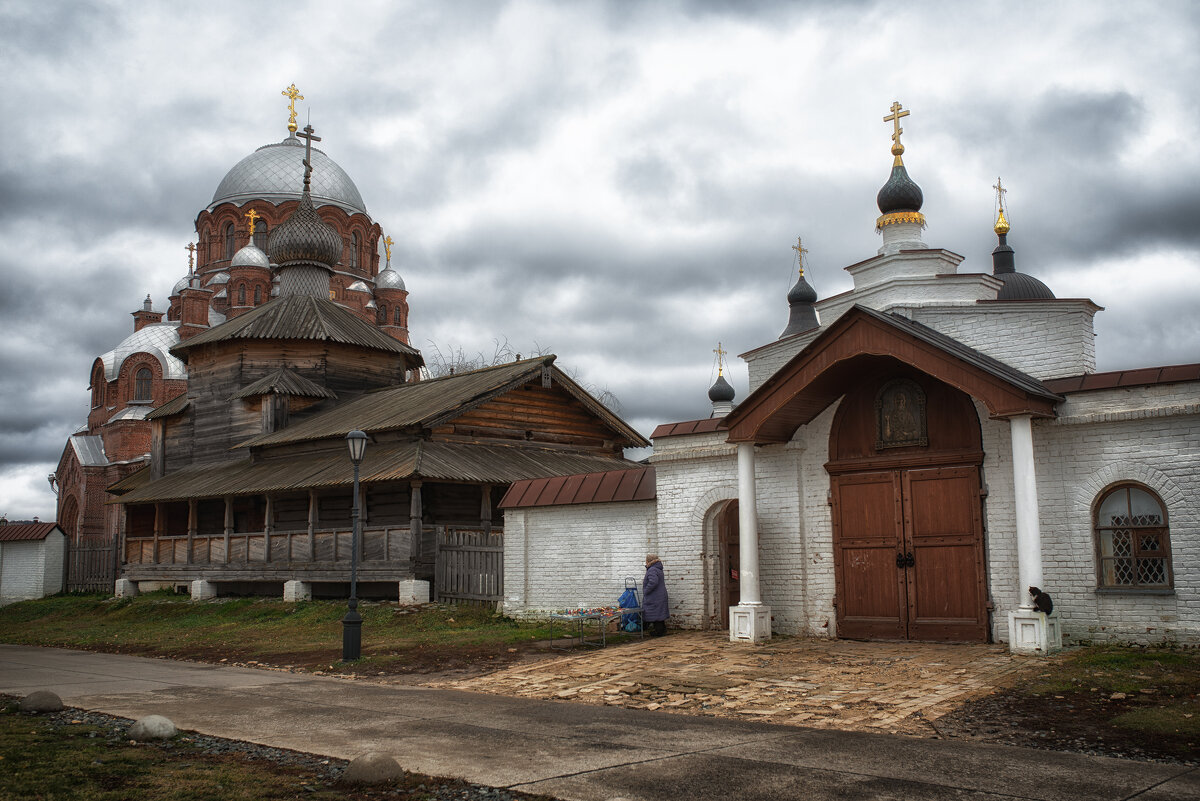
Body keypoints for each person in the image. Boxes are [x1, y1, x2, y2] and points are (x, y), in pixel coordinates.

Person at [642, 554, 669, 636]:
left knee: (655, 614)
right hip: (660, 595)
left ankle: (659, 632)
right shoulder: (658, 569)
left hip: (655, 596)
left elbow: (653, 582)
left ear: (649, 561)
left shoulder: (652, 570)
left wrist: (646, 590)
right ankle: (662, 630)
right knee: (659, 614)